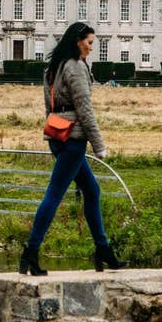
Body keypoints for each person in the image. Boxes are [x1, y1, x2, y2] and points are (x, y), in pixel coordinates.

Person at [19, 21, 124, 276]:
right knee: (54, 195)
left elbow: (49, 105)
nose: (91, 48)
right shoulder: (75, 67)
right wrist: (99, 146)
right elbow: (85, 110)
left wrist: (54, 129)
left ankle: (103, 249)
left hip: (56, 134)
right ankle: (30, 253)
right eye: (89, 43)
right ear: (77, 41)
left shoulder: (53, 67)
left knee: (92, 189)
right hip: (73, 138)